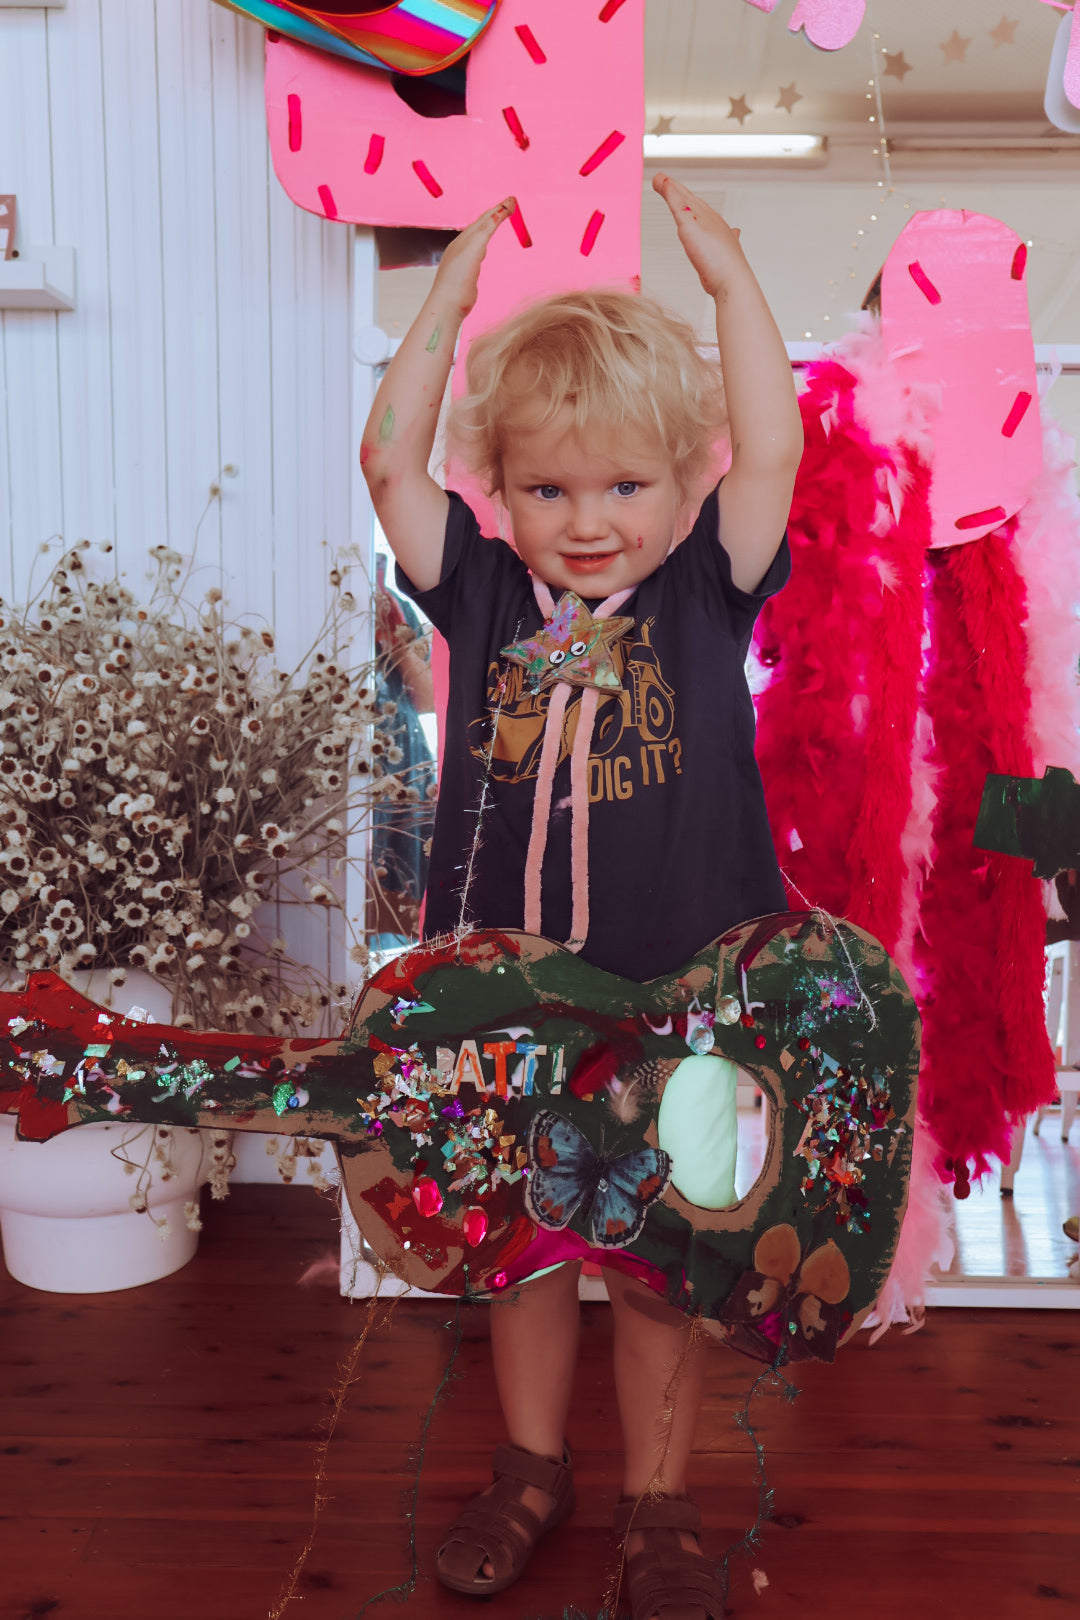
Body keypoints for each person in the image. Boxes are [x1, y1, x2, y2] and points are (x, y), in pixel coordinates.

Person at [360, 175, 803, 1620]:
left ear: (687, 488)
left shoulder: (704, 593)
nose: (590, 519)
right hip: (508, 1019)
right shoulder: (482, 595)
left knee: (667, 1272)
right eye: (549, 487)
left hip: (684, 1014)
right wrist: (447, 300)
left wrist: (733, 289)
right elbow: (388, 463)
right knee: (527, 1255)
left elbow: (775, 445)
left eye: (626, 485)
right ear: (505, 492)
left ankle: (659, 1505)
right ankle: (532, 1468)